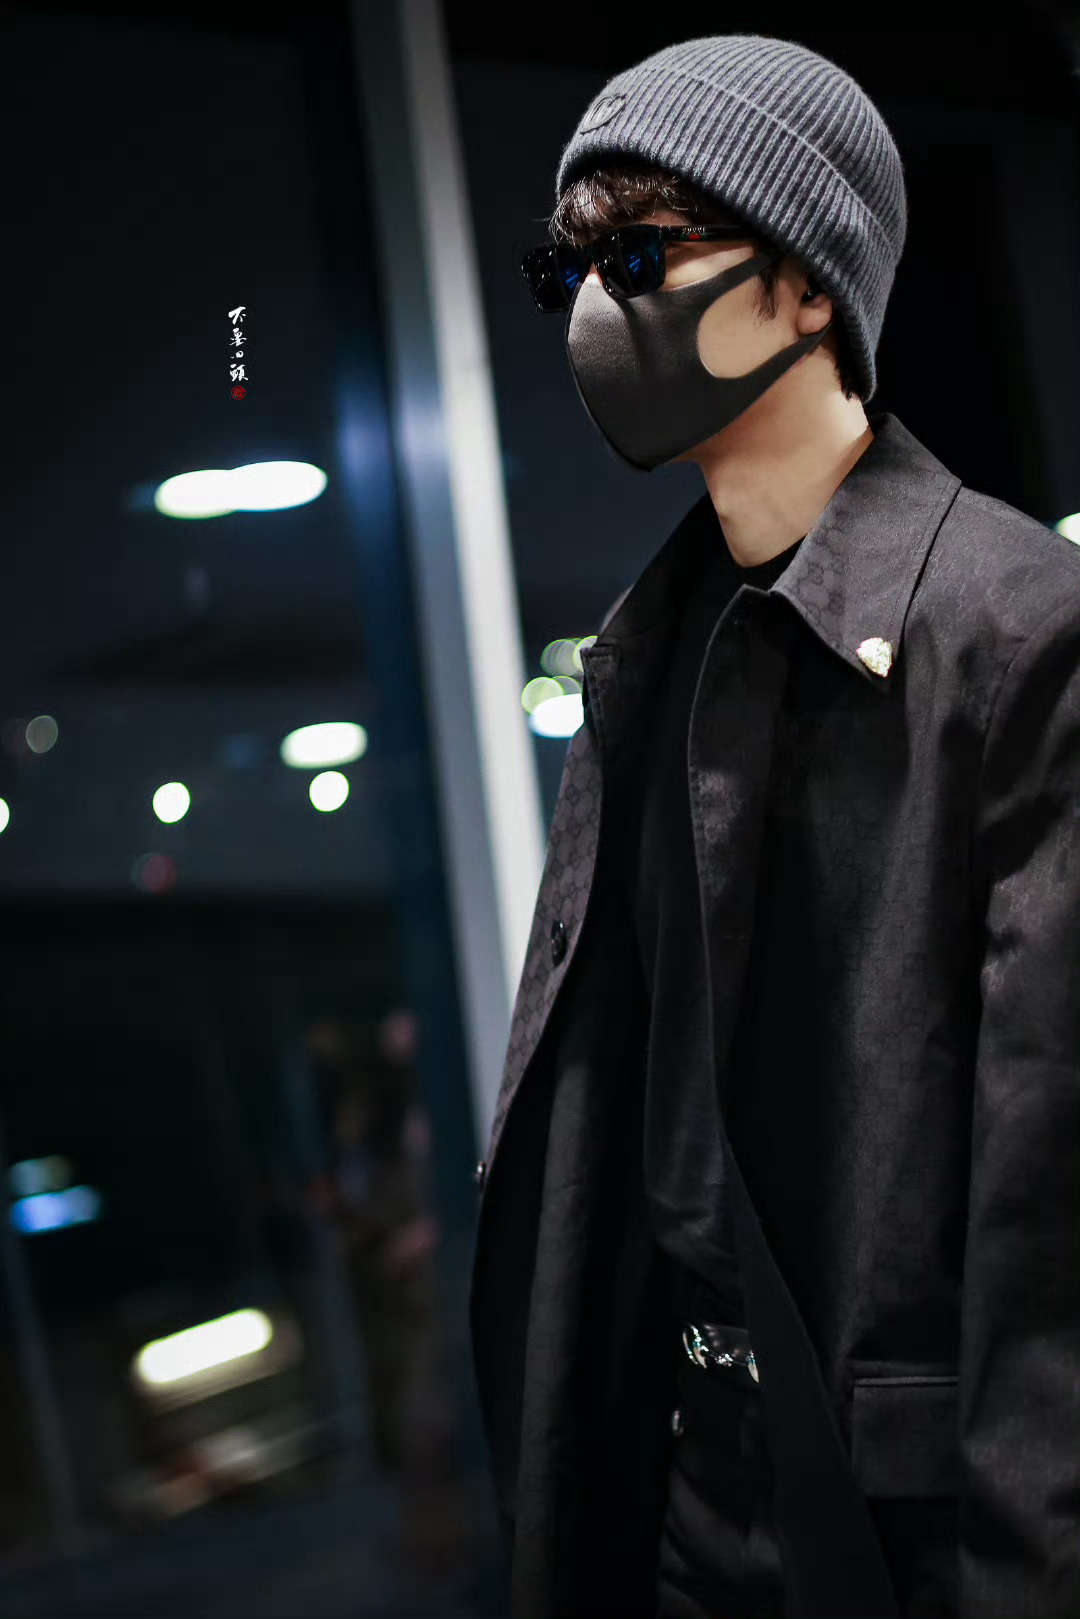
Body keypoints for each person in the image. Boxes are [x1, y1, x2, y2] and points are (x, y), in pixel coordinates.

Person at [469, 33, 1080, 1619]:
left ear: (810, 285)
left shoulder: (1020, 632)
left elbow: (1051, 1227)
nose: (595, 310)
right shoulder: (644, 653)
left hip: (903, 1523)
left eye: (642, 258)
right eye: (568, 270)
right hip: (681, 1479)